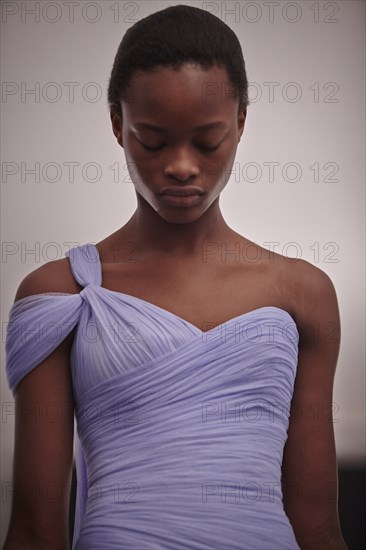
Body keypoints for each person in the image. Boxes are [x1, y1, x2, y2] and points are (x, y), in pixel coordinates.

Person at [3, 4, 348, 550]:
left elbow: (317, 524)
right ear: (118, 125)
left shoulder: (302, 294)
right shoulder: (61, 295)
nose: (182, 166)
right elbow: (34, 529)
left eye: (208, 141)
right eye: (154, 140)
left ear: (240, 123)